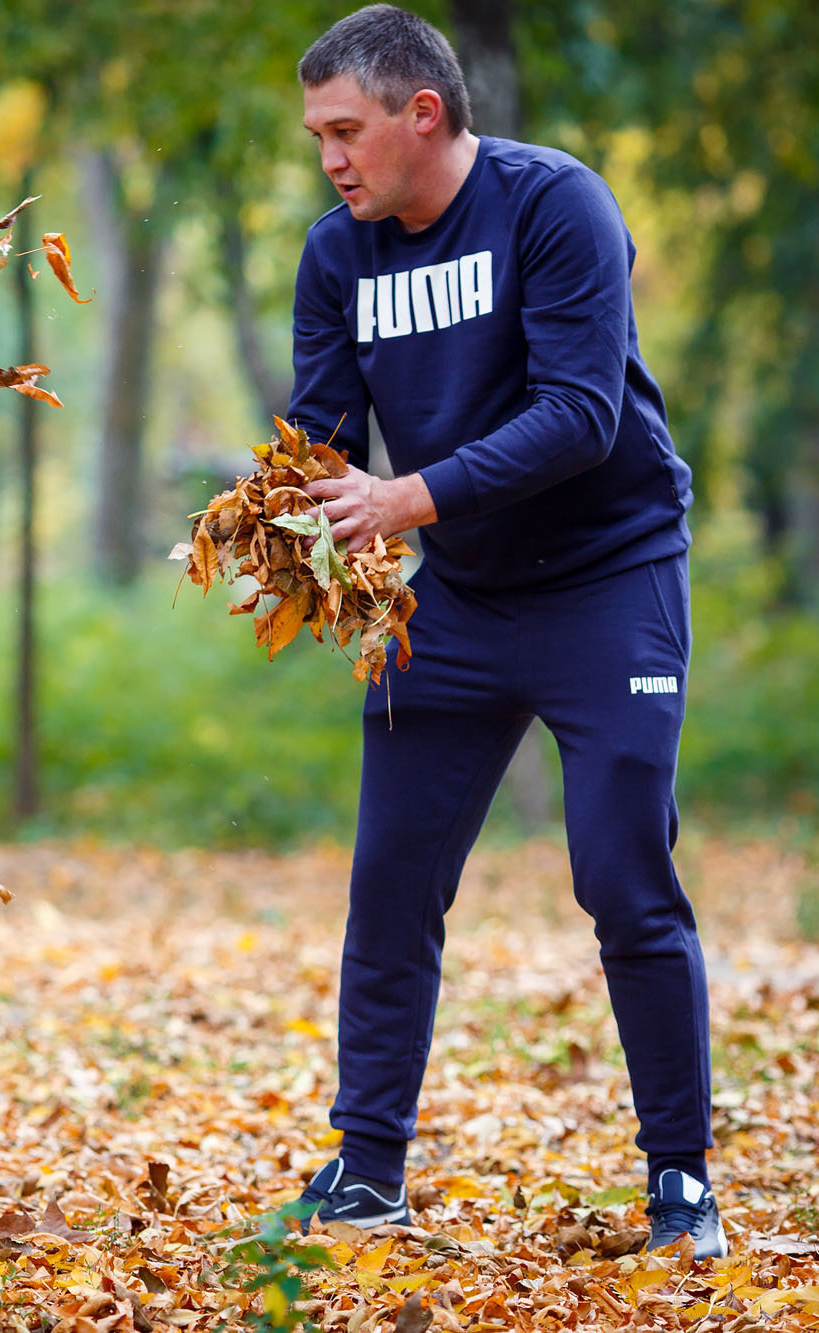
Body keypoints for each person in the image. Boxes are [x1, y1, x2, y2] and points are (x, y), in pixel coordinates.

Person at [281, 4, 723, 1258]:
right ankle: (367, 1170)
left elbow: (581, 414)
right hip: (457, 602)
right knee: (389, 885)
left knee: (621, 875)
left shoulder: (552, 206)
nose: (330, 160)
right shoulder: (337, 255)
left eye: (345, 131)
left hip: (607, 580)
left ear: (422, 114)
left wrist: (406, 497)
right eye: (317, 137)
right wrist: (281, 515)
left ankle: (677, 1179)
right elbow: (322, 429)